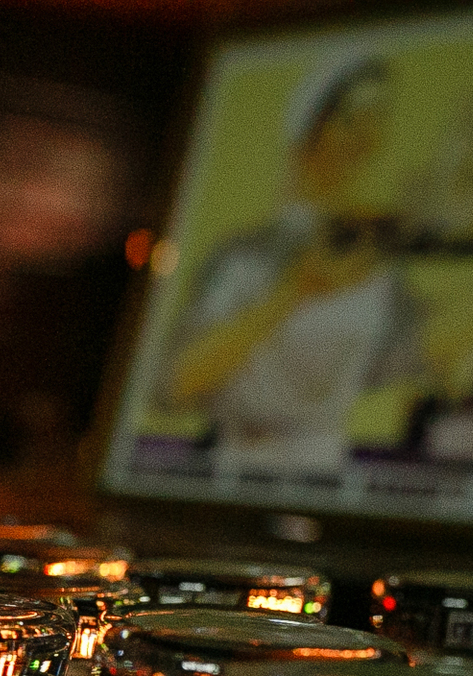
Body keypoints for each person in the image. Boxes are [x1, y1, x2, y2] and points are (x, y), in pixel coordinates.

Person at [163, 54, 423, 477]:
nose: (367, 140)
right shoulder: (243, 255)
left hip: (323, 475)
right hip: (231, 472)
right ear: (310, 131)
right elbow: (176, 384)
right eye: (353, 120)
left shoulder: (380, 272)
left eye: (377, 121)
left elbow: (416, 359)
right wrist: (293, 293)